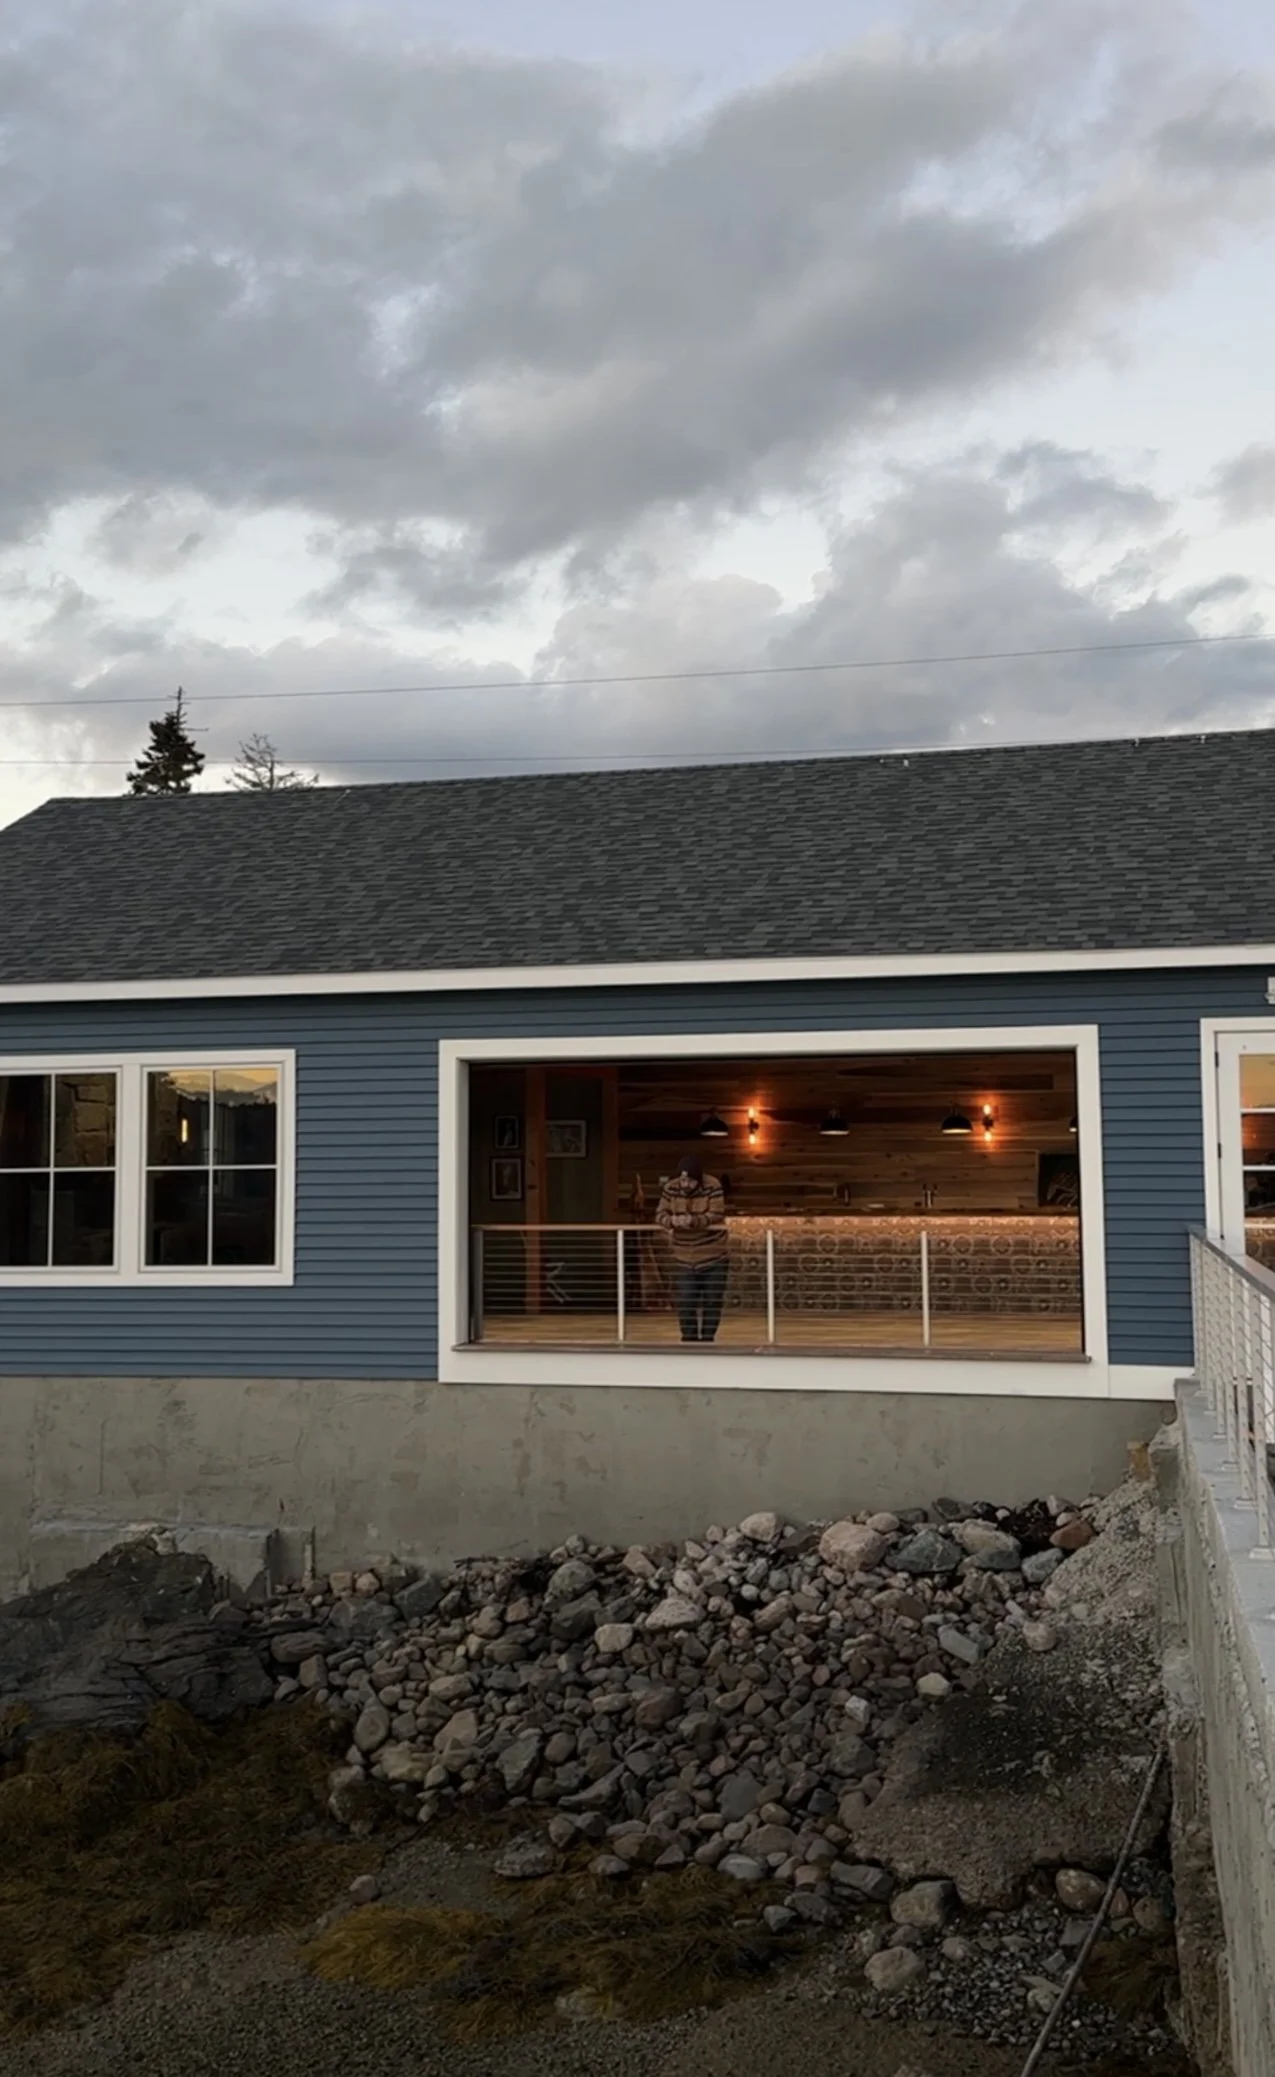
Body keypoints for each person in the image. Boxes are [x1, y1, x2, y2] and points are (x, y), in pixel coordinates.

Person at [655, 1153, 729, 1343]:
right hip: (683, 1255)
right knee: (686, 1301)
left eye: (689, 1181)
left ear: (698, 1179)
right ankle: (688, 1339)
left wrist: (694, 1221)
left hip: (714, 1253)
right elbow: (659, 1214)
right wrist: (671, 1221)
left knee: (712, 1301)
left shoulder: (713, 1185)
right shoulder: (670, 1188)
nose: (685, 1184)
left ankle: (707, 1339)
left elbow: (716, 1213)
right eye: (682, 1179)